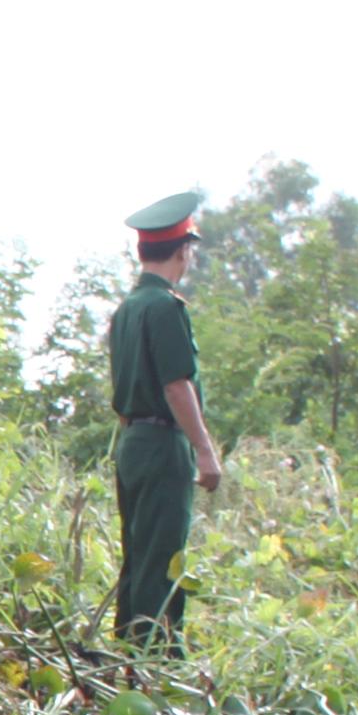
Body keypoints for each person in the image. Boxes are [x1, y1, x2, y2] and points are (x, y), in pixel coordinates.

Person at [110, 189, 219, 649]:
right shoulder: (166, 308)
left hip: (131, 445)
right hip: (161, 446)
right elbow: (178, 387)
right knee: (163, 560)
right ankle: (156, 662)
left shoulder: (126, 310)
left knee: (138, 556)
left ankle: (127, 655)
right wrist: (205, 450)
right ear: (183, 251)